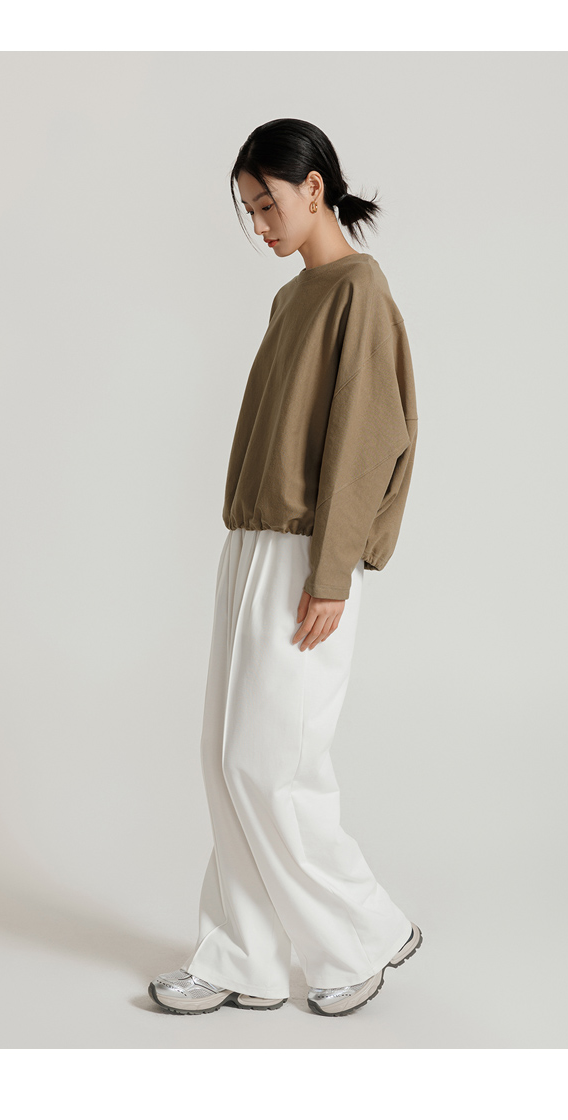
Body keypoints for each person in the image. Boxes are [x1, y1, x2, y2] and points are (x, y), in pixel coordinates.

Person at [148, 118, 422, 1018]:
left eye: (268, 204)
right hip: (254, 544)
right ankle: (244, 958)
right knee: (225, 758)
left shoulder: (359, 290)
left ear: (315, 188)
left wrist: (334, 570)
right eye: (250, 210)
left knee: (273, 764)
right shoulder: (291, 299)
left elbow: (369, 438)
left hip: (308, 550)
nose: (261, 225)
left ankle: (364, 936)